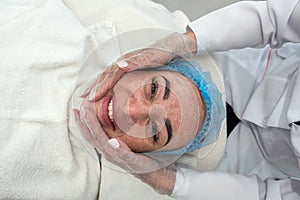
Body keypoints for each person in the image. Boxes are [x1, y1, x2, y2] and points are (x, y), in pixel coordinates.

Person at [83, 0, 300, 199]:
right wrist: (184, 42)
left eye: (157, 132)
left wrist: (168, 181)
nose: (129, 111)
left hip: (253, 165)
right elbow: (276, 17)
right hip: (249, 68)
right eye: (153, 89)